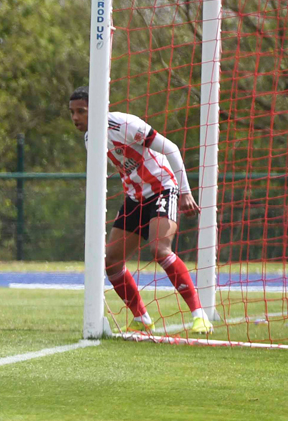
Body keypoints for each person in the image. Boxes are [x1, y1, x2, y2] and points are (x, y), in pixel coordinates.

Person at [69, 86, 212, 334]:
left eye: (81, 111)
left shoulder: (125, 124)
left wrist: (186, 192)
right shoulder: (91, 139)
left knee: (159, 249)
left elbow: (172, 149)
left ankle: (200, 316)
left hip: (163, 188)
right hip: (135, 197)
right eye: (72, 112)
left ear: (98, 108)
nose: (75, 118)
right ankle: (142, 319)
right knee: (111, 262)